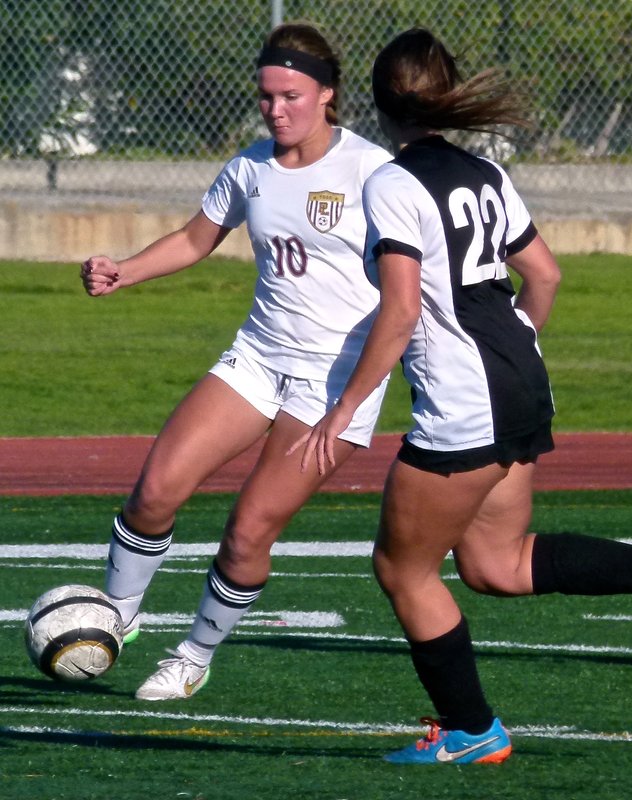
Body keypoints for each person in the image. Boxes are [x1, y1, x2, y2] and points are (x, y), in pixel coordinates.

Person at [291, 27, 632, 764]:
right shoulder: (485, 171)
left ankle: (471, 730)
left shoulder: (391, 183)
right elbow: (544, 275)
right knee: (495, 564)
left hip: (466, 402)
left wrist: (343, 408)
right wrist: (514, 346)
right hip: (522, 381)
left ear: (375, 103)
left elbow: (399, 312)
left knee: (402, 569)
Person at [80, 22, 392, 701]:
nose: (276, 110)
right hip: (255, 358)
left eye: (291, 96)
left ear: (327, 94)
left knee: (247, 533)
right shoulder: (250, 167)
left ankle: (193, 656)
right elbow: (195, 239)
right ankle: (116, 616)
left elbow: (412, 283)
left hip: (334, 382)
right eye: (266, 96)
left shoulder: (373, 172)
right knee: (154, 490)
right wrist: (124, 271)